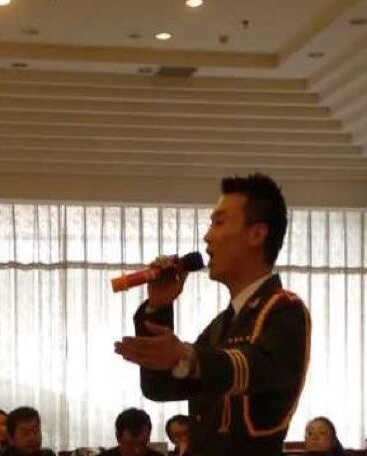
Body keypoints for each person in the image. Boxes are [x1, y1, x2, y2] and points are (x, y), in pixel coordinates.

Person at [115, 173, 311, 456]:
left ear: (256, 234)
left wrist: (189, 357)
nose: (207, 236)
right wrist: (158, 307)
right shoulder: (222, 324)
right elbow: (160, 386)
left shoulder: (285, 309)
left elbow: (255, 367)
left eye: (219, 223)